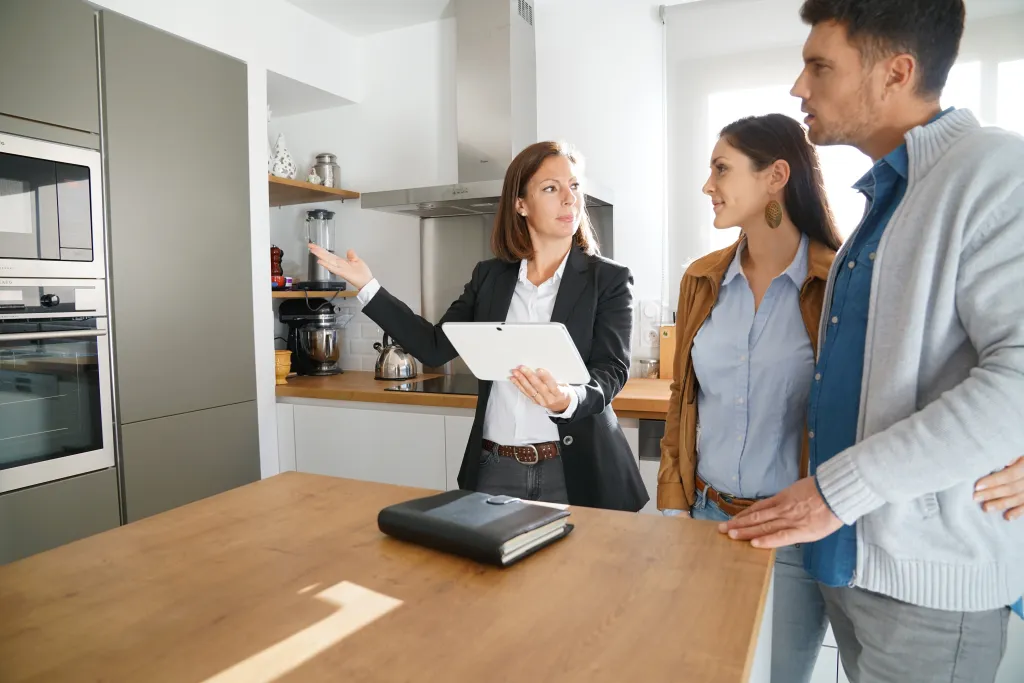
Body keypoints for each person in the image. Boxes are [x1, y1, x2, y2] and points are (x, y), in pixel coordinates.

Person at [722, 1, 1024, 681]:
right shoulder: (890, 200)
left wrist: (834, 492)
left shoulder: (995, 171)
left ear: (896, 72)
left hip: (930, 588)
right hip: (852, 563)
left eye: (819, 66)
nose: (799, 87)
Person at [309, 141, 648, 512]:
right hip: (495, 467)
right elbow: (434, 346)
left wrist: (569, 399)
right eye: (551, 188)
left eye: (574, 186)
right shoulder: (490, 277)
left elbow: (612, 370)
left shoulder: (609, 279)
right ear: (520, 204)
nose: (570, 199)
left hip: (577, 472)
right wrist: (368, 286)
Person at [658, 113, 841, 683]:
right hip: (706, 517)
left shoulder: (836, 281)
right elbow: (682, 399)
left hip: (790, 531)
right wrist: (674, 506)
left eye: (721, 169)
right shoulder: (701, 279)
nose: (707, 185)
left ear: (775, 176)